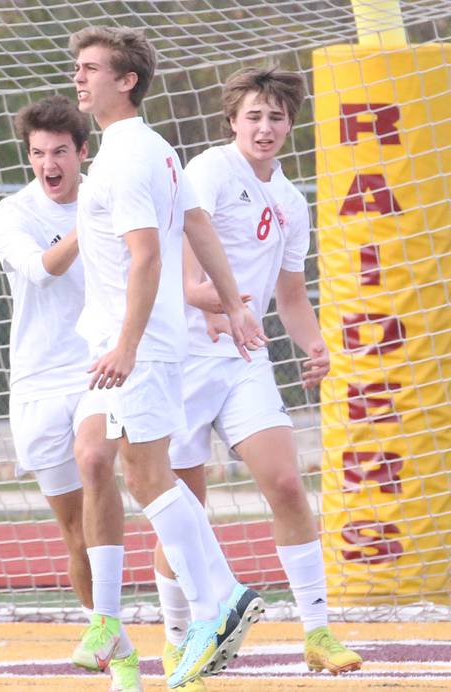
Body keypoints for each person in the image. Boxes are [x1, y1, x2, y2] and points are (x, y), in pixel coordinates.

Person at [68, 26, 267, 691]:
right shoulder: (153, 149)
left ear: (126, 82)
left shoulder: (129, 157)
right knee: (100, 455)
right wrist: (236, 304)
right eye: (78, 67)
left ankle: (218, 601)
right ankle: (120, 618)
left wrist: (127, 344)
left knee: (149, 476)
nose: (79, 77)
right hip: (118, 342)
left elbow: (150, 254)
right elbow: (200, 226)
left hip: (139, 343)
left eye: (91, 68)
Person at [154, 67, 363, 679]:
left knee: (288, 484)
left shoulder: (292, 202)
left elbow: (291, 294)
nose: (265, 127)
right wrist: (222, 305)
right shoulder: (211, 171)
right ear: (233, 121)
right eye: (254, 116)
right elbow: (183, 278)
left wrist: (316, 345)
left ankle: (318, 632)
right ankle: (177, 638)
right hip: (183, 360)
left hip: (243, 360)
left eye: (276, 117)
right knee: (185, 507)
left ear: (290, 125)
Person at [0, 95, 142, 692]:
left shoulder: (114, 197)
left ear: (83, 153)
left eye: (59, 152)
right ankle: (119, 648)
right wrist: (91, 221)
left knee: (97, 459)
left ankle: (147, 622)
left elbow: (152, 260)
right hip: (36, 380)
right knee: (73, 533)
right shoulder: (12, 213)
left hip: (97, 365)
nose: (48, 163)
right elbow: (40, 270)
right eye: (37, 153)